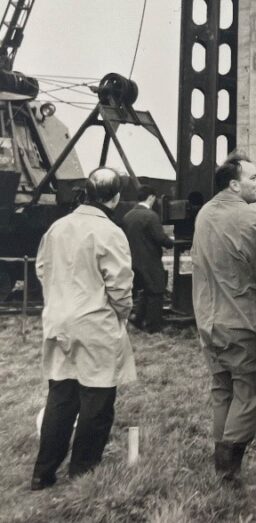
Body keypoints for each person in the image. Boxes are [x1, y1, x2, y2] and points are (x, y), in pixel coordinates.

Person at [31, 167, 136, 490]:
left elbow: (40, 269)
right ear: (115, 198)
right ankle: (83, 472)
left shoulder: (57, 227)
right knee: (97, 399)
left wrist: (60, 298)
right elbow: (119, 287)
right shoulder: (110, 233)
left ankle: (42, 473)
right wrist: (122, 314)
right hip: (95, 325)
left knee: (61, 396)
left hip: (58, 321)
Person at [191, 154, 256, 485]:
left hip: (208, 321)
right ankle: (229, 470)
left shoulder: (205, 213)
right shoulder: (251, 219)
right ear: (234, 184)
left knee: (222, 389)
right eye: (253, 177)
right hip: (244, 323)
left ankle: (220, 465)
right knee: (248, 391)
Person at [123, 185, 174, 333]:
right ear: (151, 197)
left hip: (133, 260)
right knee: (157, 290)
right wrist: (171, 242)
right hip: (150, 260)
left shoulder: (128, 216)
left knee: (146, 290)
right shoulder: (151, 216)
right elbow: (160, 238)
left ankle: (138, 319)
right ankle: (153, 326)